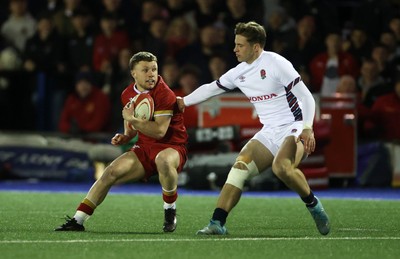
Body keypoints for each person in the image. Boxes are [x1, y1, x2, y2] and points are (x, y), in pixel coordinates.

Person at [176, 21, 330, 235]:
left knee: (281, 167)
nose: (235, 49)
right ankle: (217, 223)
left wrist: (307, 127)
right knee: (239, 168)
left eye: (240, 45)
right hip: (269, 131)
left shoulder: (277, 63)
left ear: (256, 47)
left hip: (294, 126)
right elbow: (211, 89)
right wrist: (183, 101)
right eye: (235, 44)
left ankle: (315, 207)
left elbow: (306, 96)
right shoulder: (239, 72)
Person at [55, 51, 188, 232]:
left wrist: (132, 120)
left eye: (154, 69)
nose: (151, 74)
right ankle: (78, 220)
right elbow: (132, 127)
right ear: (133, 73)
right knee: (110, 172)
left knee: (163, 160)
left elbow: (159, 131)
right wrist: (126, 135)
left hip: (171, 147)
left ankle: (169, 210)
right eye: (146, 70)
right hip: (144, 148)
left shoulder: (165, 94)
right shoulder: (127, 93)